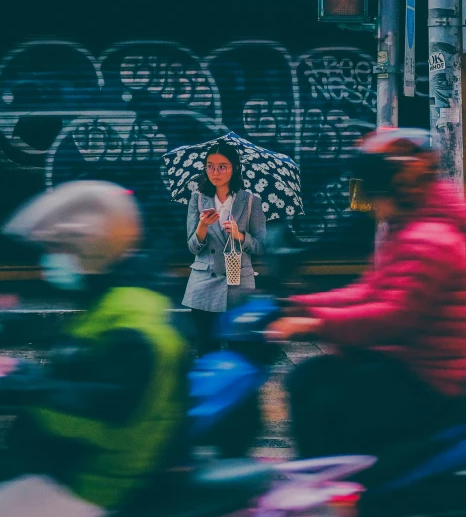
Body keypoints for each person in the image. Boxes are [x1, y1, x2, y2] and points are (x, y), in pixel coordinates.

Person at [0, 181, 189, 517]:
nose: (48, 260)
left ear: (86, 249)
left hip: (94, 481)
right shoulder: (110, 303)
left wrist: (23, 388)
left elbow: (108, 412)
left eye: (56, 247)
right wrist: (15, 376)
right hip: (69, 466)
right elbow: (79, 377)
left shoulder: (135, 322)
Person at [269, 128, 466, 459]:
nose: (368, 202)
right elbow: (372, 289)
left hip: (431, 381)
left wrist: (313, 324)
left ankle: (340, 490)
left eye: (373, 191)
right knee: (312, 377)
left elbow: (394, 315)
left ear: (396, 186)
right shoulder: (412, 230)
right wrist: (300, 305)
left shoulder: (429, 238)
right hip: (412, 366)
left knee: (322, 393)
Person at [183, 140, 267, 357]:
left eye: (222, 166)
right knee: (206, 349)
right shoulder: (198, 200)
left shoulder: (250, 202)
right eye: (210, 166)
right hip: (204, 286)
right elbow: (192, 247)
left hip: (238, 285)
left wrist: (240, 235)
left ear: (234, 168)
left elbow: (261, 246)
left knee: (240, 350)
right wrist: (202, 225)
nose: (215, 172)